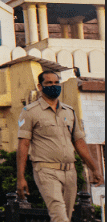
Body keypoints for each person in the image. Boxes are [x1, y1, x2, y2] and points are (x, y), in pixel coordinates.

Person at [17, 70, 104, 222]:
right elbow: (23, 144)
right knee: (59, 216)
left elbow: (79, 142)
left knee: (66, 216)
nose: (54, 86)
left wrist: (94, 168)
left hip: (70, 171)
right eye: (49, 83)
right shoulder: (30, 112)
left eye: (56, 83)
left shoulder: (69, 111)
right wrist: (21, 177)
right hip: (46, 170)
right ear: (40, 86)